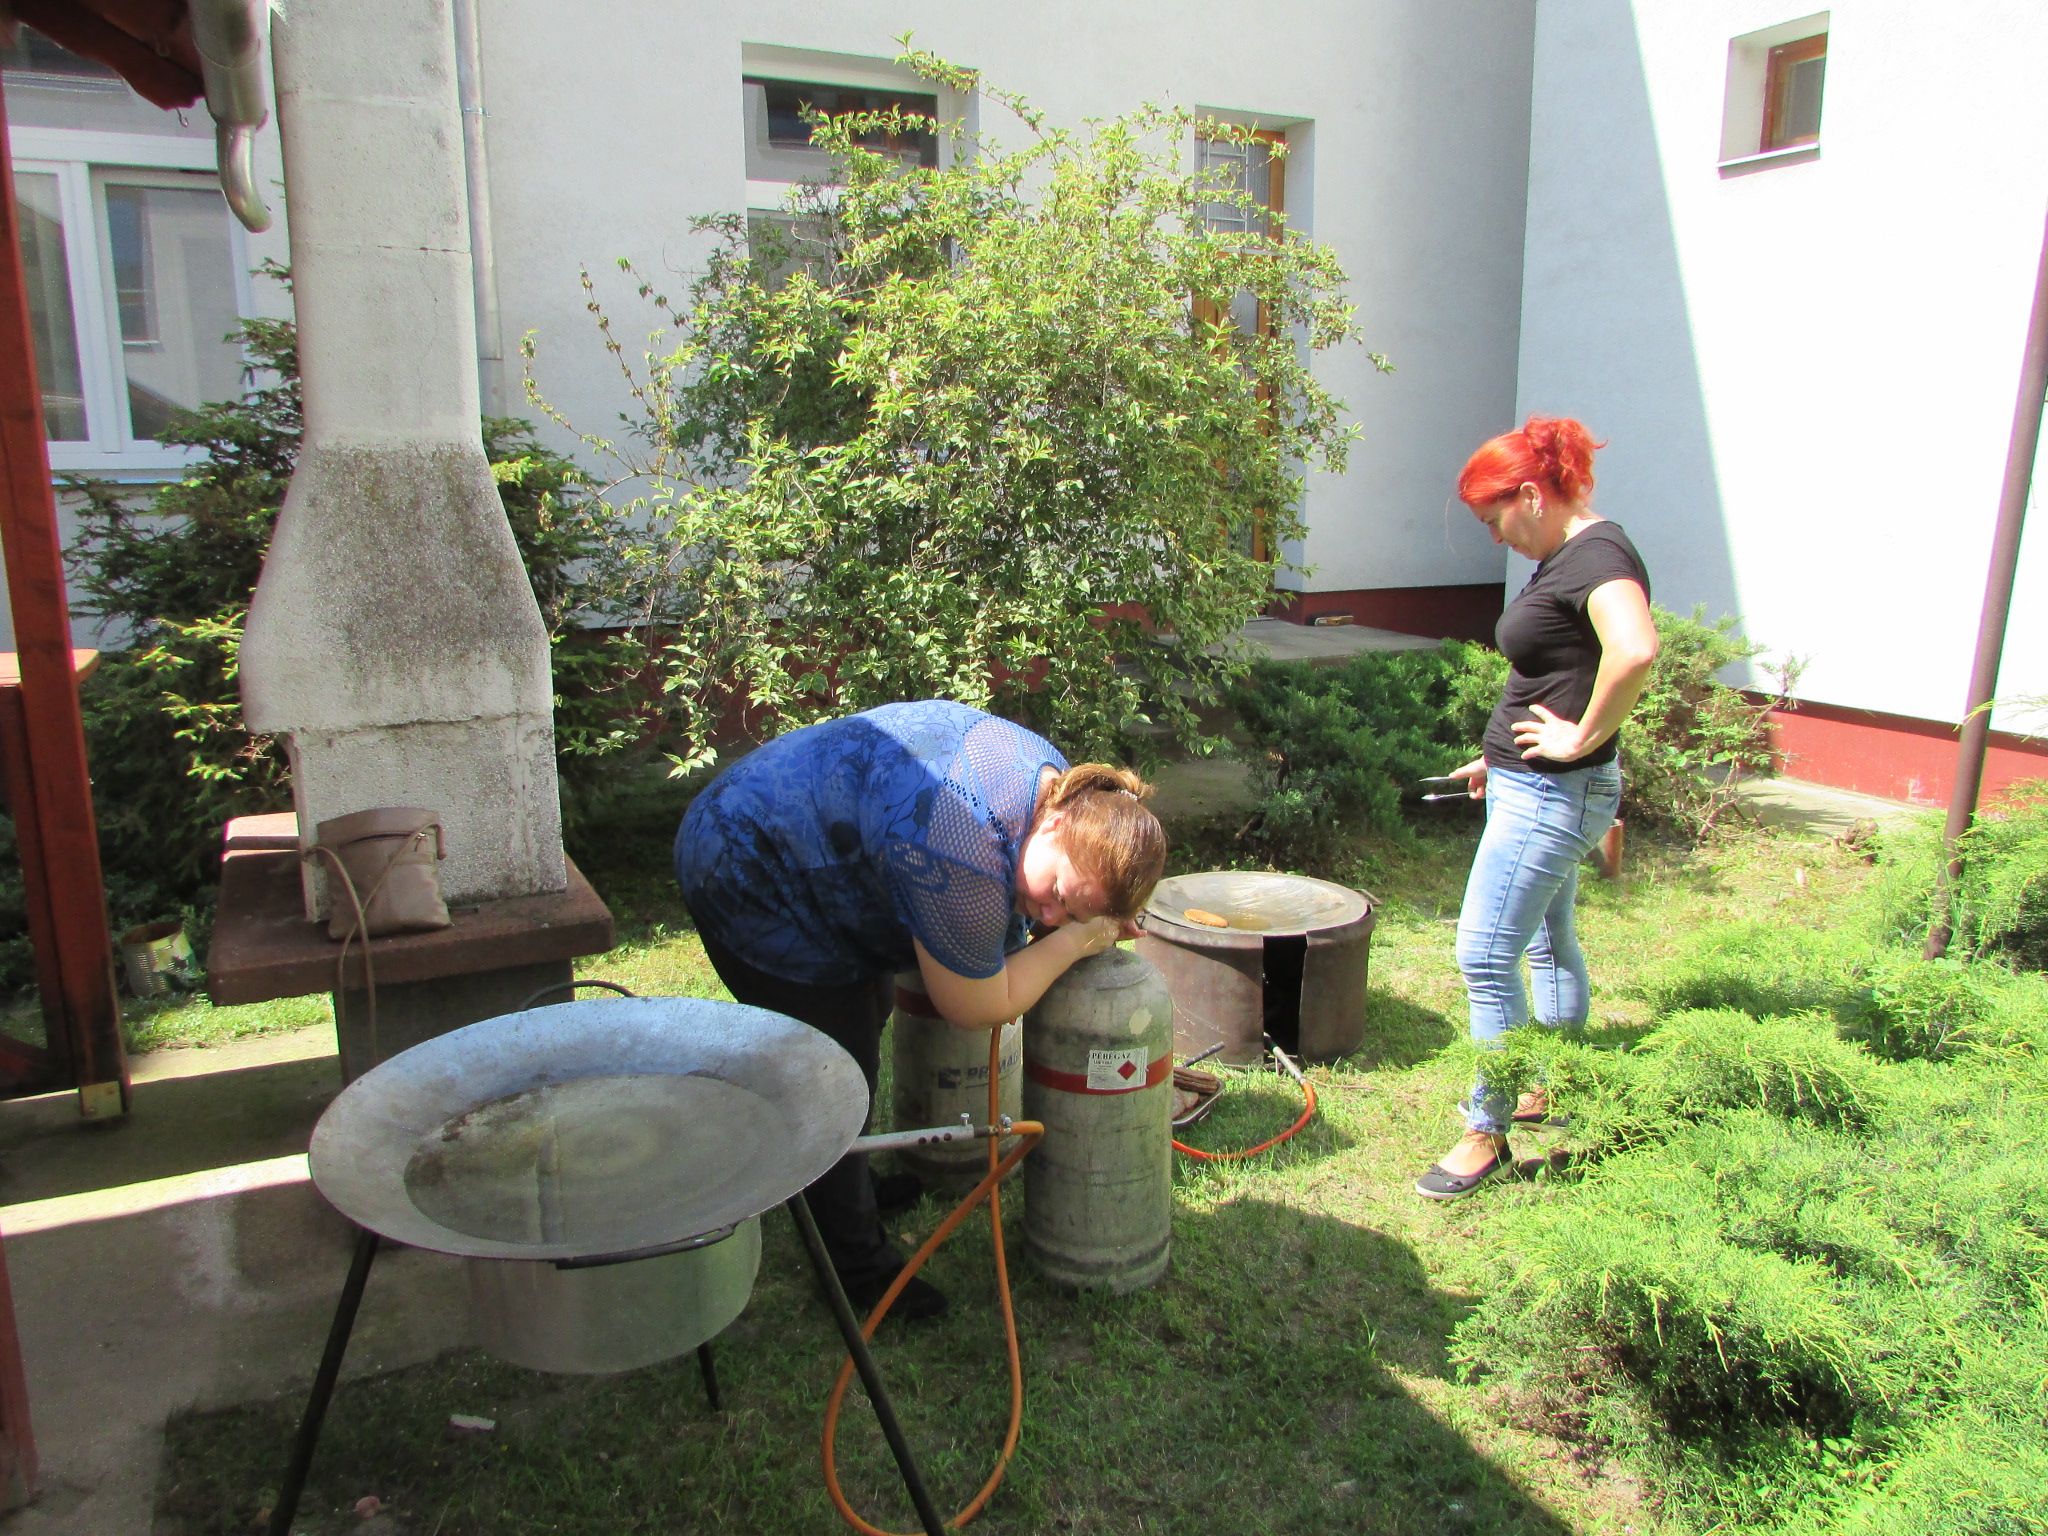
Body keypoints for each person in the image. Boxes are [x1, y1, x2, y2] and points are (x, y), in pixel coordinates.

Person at [674, 699, 1167, 1313]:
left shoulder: (1062, 788)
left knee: (866, 1010)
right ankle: (858, 1271)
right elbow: (978, 1004)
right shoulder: (962, 848)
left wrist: (1079, 914)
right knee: (828, 1073)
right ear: (1057, 825)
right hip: (747, 864)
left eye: (1072, 912)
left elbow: (1015, 900)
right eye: (1060, 896)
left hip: (804, 828)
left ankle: (848, 1178)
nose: (1050, 915)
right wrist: (1076, 940)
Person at [1414, 417, 1658, 1200]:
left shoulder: (1599, 556)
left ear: (1530, 494)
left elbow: (1635, 649)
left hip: (1556, 790)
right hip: (1532, 783)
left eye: (1495, 521)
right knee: (1548, 942)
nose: (1495, 539)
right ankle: (1553, 1083)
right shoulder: (1568, 557)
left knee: (1486, 956)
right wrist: (1498, 756)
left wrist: (1580, 738)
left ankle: (1484, 1134)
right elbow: (1562, 669)